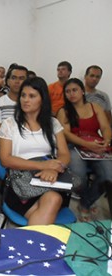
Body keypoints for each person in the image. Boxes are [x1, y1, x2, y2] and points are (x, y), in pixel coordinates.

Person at [0, 77, 70, 225]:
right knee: (52, 202)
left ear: (42, 99)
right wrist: (43, 166)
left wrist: (54, 169)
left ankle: (31, 245)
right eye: (23, 95)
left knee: (53, 199)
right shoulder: (9, 124)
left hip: (49, 180)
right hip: (20, 183)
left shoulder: (53, 123)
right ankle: (36, 243)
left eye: (32, 96)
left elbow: (64, 154)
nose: (25, 100)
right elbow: (5, 159)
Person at [57, 78, 112, 222]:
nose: (71, 94)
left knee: (108, 176)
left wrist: (106, 140)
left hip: (97, 147)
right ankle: (87, 202)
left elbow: (105, 127)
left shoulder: (95, 107)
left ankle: (85, 203)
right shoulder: (64, 111)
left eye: (74, 90)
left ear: (82, 91)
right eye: (67, 91)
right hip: (74, 147)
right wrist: (87, 145)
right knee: (79, 177)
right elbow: (66, 134)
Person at [0, 64, 28, 228]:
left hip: (28, 146)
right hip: (2, 146)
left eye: (22, 78)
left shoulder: (31, 102)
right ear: (7, 81)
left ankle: (30, 206)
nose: (17, 82)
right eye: (14, 78)